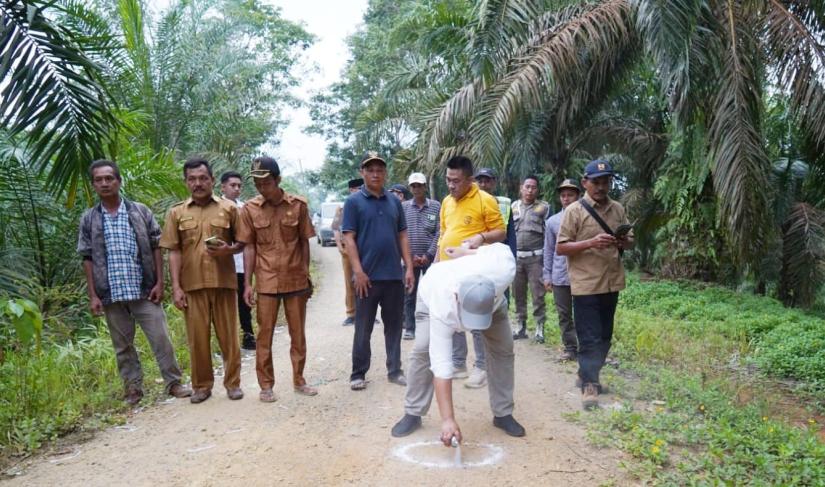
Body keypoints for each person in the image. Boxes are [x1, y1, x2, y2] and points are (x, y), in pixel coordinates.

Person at [78, 160, 191, 405]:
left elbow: (156, 247)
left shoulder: (139, 211)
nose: (105, 183)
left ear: (118, 181)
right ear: (94, 185)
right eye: (99, 180)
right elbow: (87, 257)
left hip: (144, 289)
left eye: (109, 178)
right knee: (122, 346)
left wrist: (160, 283)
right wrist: (93, 295)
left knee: (161, 338)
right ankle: (133, 389)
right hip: (110, 293)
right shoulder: (89, 219)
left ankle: (174, 383)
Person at [390, 243, 525, 440]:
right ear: (457, 298)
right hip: (432, 294)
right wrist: (448, 420)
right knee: (423, 349)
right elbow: (442, 365)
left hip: (493, 306)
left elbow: (499, 250)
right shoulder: (442, 302)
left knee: (503, 350)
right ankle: (413, 411)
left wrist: (467, 252)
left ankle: (503, 413)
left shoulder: (503, 270)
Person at [160, 157, 244, 404]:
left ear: (212, 180)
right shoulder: (176, 213)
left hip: (224, 282)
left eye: (203, 178)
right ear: (186, 182)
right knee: (197, 339)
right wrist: (176, 287)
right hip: (192, 285)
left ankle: (233, 384)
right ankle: (202, 386)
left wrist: (228, 250)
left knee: (229, 336)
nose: (198, 183)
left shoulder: (229, 209)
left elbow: (242, 243)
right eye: (192, 179)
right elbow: (173, 251)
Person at [237, 156, 318, 401]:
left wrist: (306, 275)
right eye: (258, 183)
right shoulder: (249, 209)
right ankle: (266, 385)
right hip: (266, 280)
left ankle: (299, 379)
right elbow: (248, 247)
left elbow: (304, 243)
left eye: (267, 182)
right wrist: (247, 284)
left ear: (278, 180)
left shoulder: (298, 206)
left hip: (295, 280)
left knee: (298, 333)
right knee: (265, 334)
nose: (262, 187)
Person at [556, 160, 633, 409]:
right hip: (586, 283)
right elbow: (561, 247)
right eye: (596, 182)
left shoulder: (618, 208)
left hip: (611, 281)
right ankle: (590, 384)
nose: (601, 186)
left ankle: (584, 375)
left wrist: (623, 242)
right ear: (585, 183)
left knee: (604, 336)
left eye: (606, 181)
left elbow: (631, 241)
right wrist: (591, 242)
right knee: (589, 337)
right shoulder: (574, 211)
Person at [342, 151, 415, 391]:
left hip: (393, 275)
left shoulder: (395, 202)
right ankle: (358, 373)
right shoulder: (353, 202)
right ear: (362, 172)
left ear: (385, 173)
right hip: (367, 278)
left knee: (394, 326)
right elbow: (349, 238)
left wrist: (409, 267)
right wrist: (358, 271)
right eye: (370, 169)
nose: (375, 173)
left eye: (379, 169)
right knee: (363, 327)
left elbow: (402, 234)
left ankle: (395, 370)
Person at [451, 167, 516, 389]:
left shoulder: (495, 202)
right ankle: (459, 362)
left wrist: (506, 275)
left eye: (487, 180)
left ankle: (481, 366)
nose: (483, 184)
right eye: (480, 180)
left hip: (483, 271)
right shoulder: (450, 201)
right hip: (455, 270)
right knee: (455, 317)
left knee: (477, 317)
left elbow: (506, 236)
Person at [544, 179, 581, 361]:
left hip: (583, 275)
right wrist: (547, 275)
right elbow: (549, 250)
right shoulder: (552, 222)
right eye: (563, 195)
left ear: (578, 196)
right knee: (564, 315)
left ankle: (589, 349)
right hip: (560, 275)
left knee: (585, 313)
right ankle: (570, 348)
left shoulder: (585, 218)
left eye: (570, 195)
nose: (566, 199)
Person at [511, 176, 551, 342]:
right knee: (518, 293)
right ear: (521, 188)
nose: (530, 190)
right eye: (527, 187)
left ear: (537, 190)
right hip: (517, 258)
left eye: (533, 187)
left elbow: (549, 232)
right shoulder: (513, 207)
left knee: (538, 294)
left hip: (536, 258)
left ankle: (540, 328)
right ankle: (520, 327)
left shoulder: (544, 207)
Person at [401, 172, 440, 340]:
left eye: (419, 185)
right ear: (410, 188)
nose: (416, 189)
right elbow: (401, 233)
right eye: (413, 186)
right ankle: (410, 327)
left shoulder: (436, 206)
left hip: (430, 259)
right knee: (409, 293)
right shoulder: (403, 208)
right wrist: (410, 256)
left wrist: (429, 254)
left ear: (425, 187)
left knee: (434, 293)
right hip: (410, 259)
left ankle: (436, 326)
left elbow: (440, 231)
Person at [220, 171, 256, 351]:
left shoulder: (244, 208)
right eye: (232, 185)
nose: (236, 189)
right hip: (223, 264)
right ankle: (227, 340)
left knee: (244, 301)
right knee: (225, 304)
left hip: (242, 263)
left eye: (239, 186)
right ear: (222, 187)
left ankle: (248, 335)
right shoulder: (216, 208)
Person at [332, 178, 363, 326]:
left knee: (365, 280)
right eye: (357, 188)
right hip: (347, 249)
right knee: (349, 281)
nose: (360, 190)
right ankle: (351, 313)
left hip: (363, 248)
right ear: (351, 190)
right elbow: (335, 228)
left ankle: (365, 311)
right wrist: (340, 247)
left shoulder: (365, 205)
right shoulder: (342, 209)